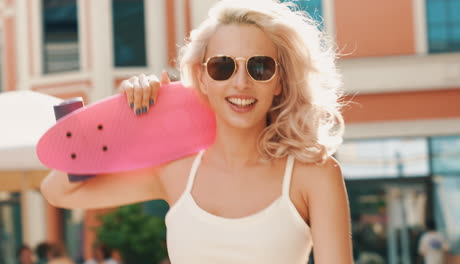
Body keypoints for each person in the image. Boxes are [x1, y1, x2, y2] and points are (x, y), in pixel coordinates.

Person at [41, 0, 353, 263]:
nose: (241, 82)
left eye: (260, 67)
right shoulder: (175, 171)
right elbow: (58, 191)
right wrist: (123, 117)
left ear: (280, 81)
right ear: (202, 78)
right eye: (222, 66)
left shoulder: (314, 175)